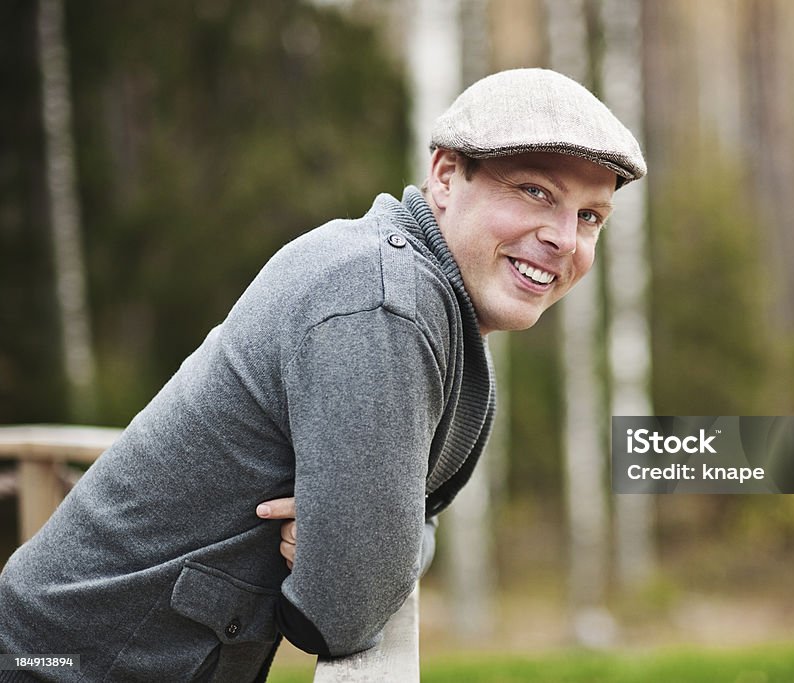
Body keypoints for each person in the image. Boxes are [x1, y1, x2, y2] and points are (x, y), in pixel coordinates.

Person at [0, 67, 645, 681]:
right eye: (536, 192)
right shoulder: (382, 301)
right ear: (447, 176)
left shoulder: (421, 292)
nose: (565, 238)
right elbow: (338, 613)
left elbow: (404, 530)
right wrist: (370, 539)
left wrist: (383, 530)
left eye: (590, 217)